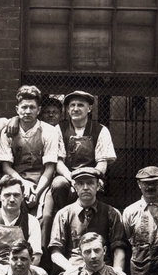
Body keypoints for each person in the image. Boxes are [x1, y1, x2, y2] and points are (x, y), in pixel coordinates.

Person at [43, 90, 116, 236]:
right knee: (58, 184)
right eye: (72, 105)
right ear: (67, 109)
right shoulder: (59, 129)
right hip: (67, 176)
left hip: (92, 176)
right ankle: (66, 219)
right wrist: (72, 179)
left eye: (80, 105)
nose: (75, 109)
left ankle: (92, 231)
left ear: (89, 108)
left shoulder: (101, 130)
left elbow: (102, 163)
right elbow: (58, 161)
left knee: (93, 188)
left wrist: (88, 179)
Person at [49, 166, 128, 275]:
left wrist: (117, 272)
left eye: (90, 183)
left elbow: (118, 249)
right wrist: (72, 270)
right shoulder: (63, 214)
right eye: (80, 183)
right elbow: (55, 253)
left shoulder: (112, 213)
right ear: (75, 187)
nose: (85, 187)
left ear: (98, 186)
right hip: (72, 269)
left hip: (103, 271)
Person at [0, 85, 61, 217]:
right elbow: (6, 167)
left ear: (39, 110)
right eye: (24, 107)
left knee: (46, 215)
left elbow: (49, 168)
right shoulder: (7, 132)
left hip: (42, 181)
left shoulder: (49, 131)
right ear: (17, 109)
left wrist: (36, 192)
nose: (27, 111)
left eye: (32, 107)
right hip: (15, 178)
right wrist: (23, 183)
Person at [0, 175, 45, 269]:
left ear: (23, 197)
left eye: (16, 195)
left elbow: (36, 257)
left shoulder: (31, 221)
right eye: (7, 195)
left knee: (41, 274)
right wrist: (2, 269)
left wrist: (19, 272)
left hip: (22, 268)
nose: (11, 199)